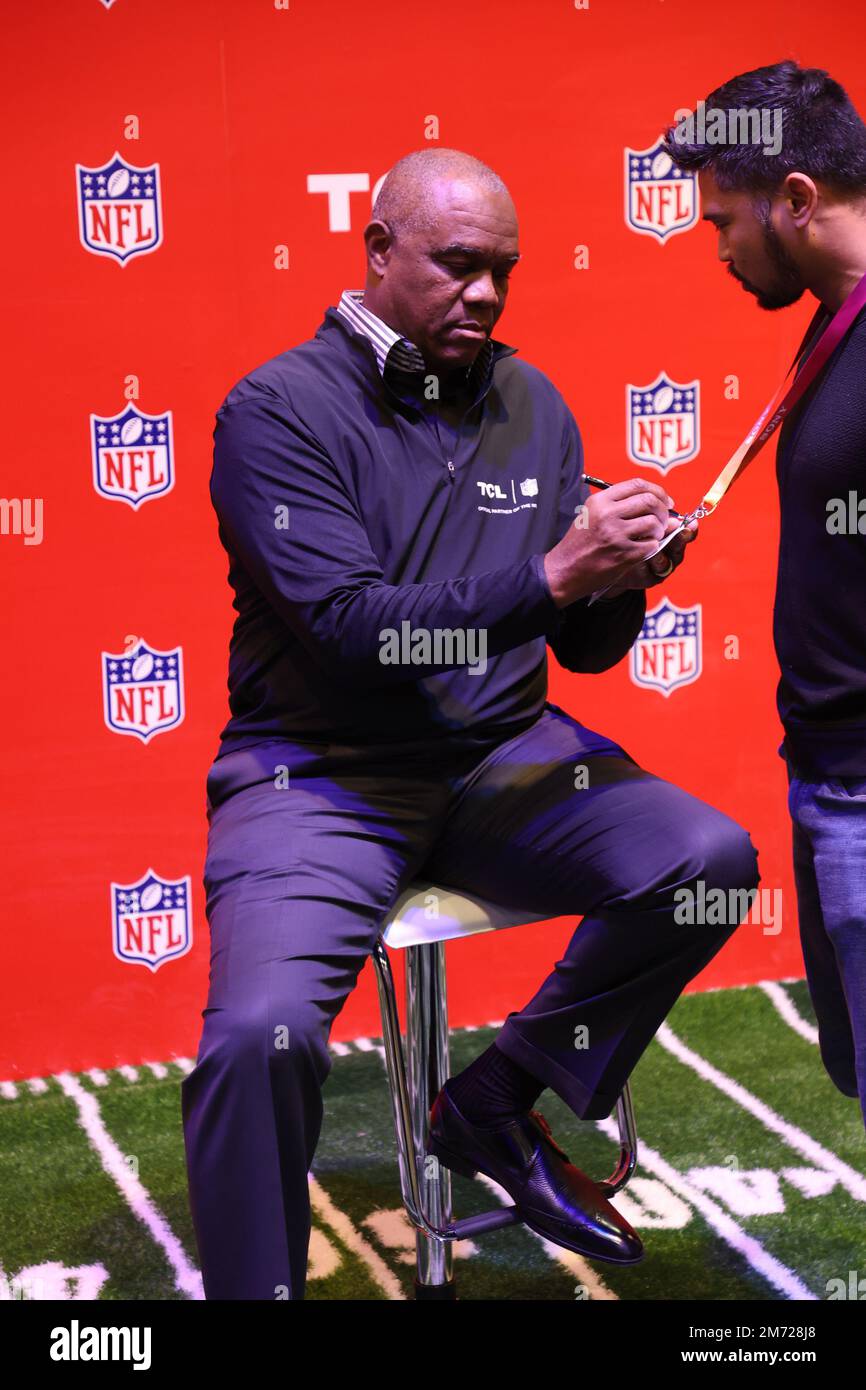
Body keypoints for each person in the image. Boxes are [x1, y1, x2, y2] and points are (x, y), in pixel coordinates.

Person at [181, 147, 760, 1300]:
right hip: (324, 777)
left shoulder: (528, 399)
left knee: (706, 859)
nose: (485, 295)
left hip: (504, 758)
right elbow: (358, 634)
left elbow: (581, 645)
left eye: (502, 270)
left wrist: (627, 570)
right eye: (457, 266)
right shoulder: (276, 410)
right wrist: (553, 573)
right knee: (257, 1039)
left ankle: (493, 1104)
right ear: (380, 250)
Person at [664, 59, 866, 1136]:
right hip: (829, 781)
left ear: (794, 199)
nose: (717, 248)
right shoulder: (837, 320)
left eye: (723, 220)